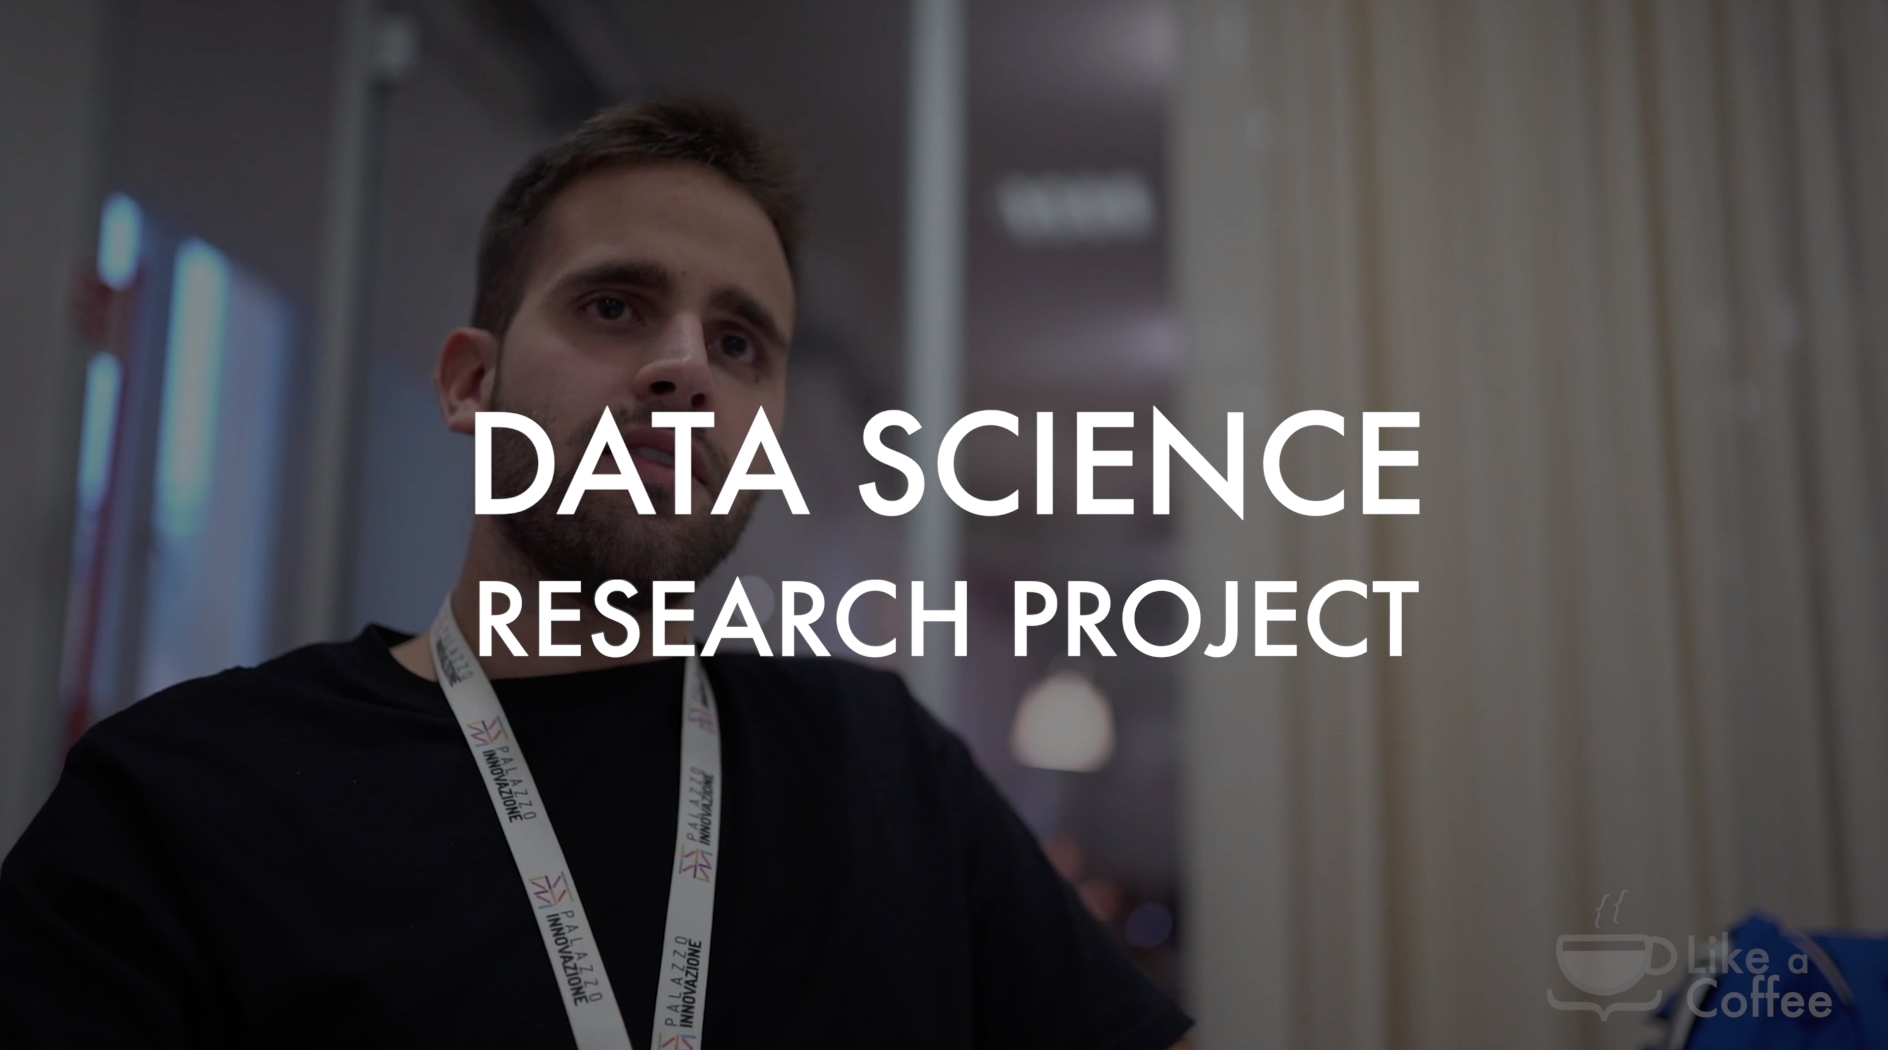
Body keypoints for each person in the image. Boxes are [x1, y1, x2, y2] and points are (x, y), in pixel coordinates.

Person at [0, 98, 1192, 1050]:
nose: (685, 369)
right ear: (470, 383)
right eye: (616, 306)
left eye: (738, 342)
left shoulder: (886, 770)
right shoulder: (188, 801)